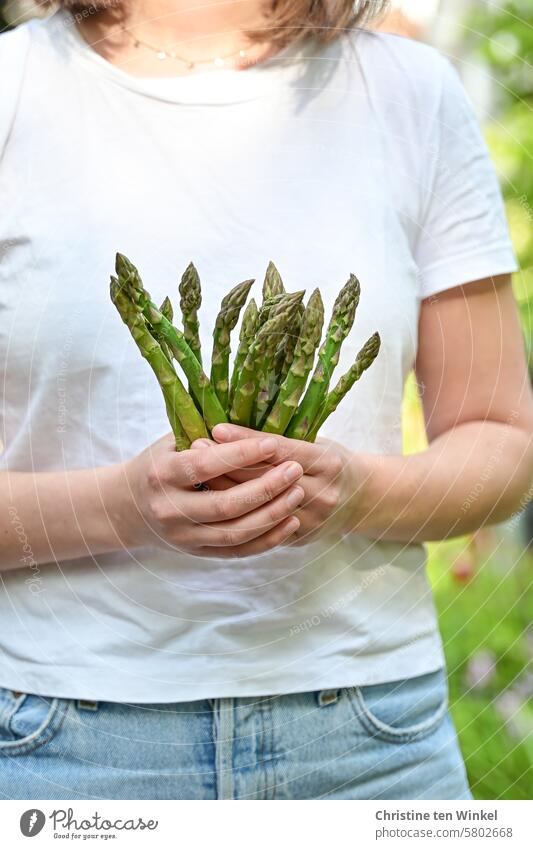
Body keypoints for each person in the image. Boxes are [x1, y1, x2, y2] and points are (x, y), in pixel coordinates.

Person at [0, 0, 531, 800]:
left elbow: (500, 444)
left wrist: (354, 491)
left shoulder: (410, 92)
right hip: (64, 745)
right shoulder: (16, 92)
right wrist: (123, 506)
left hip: (372, 742)